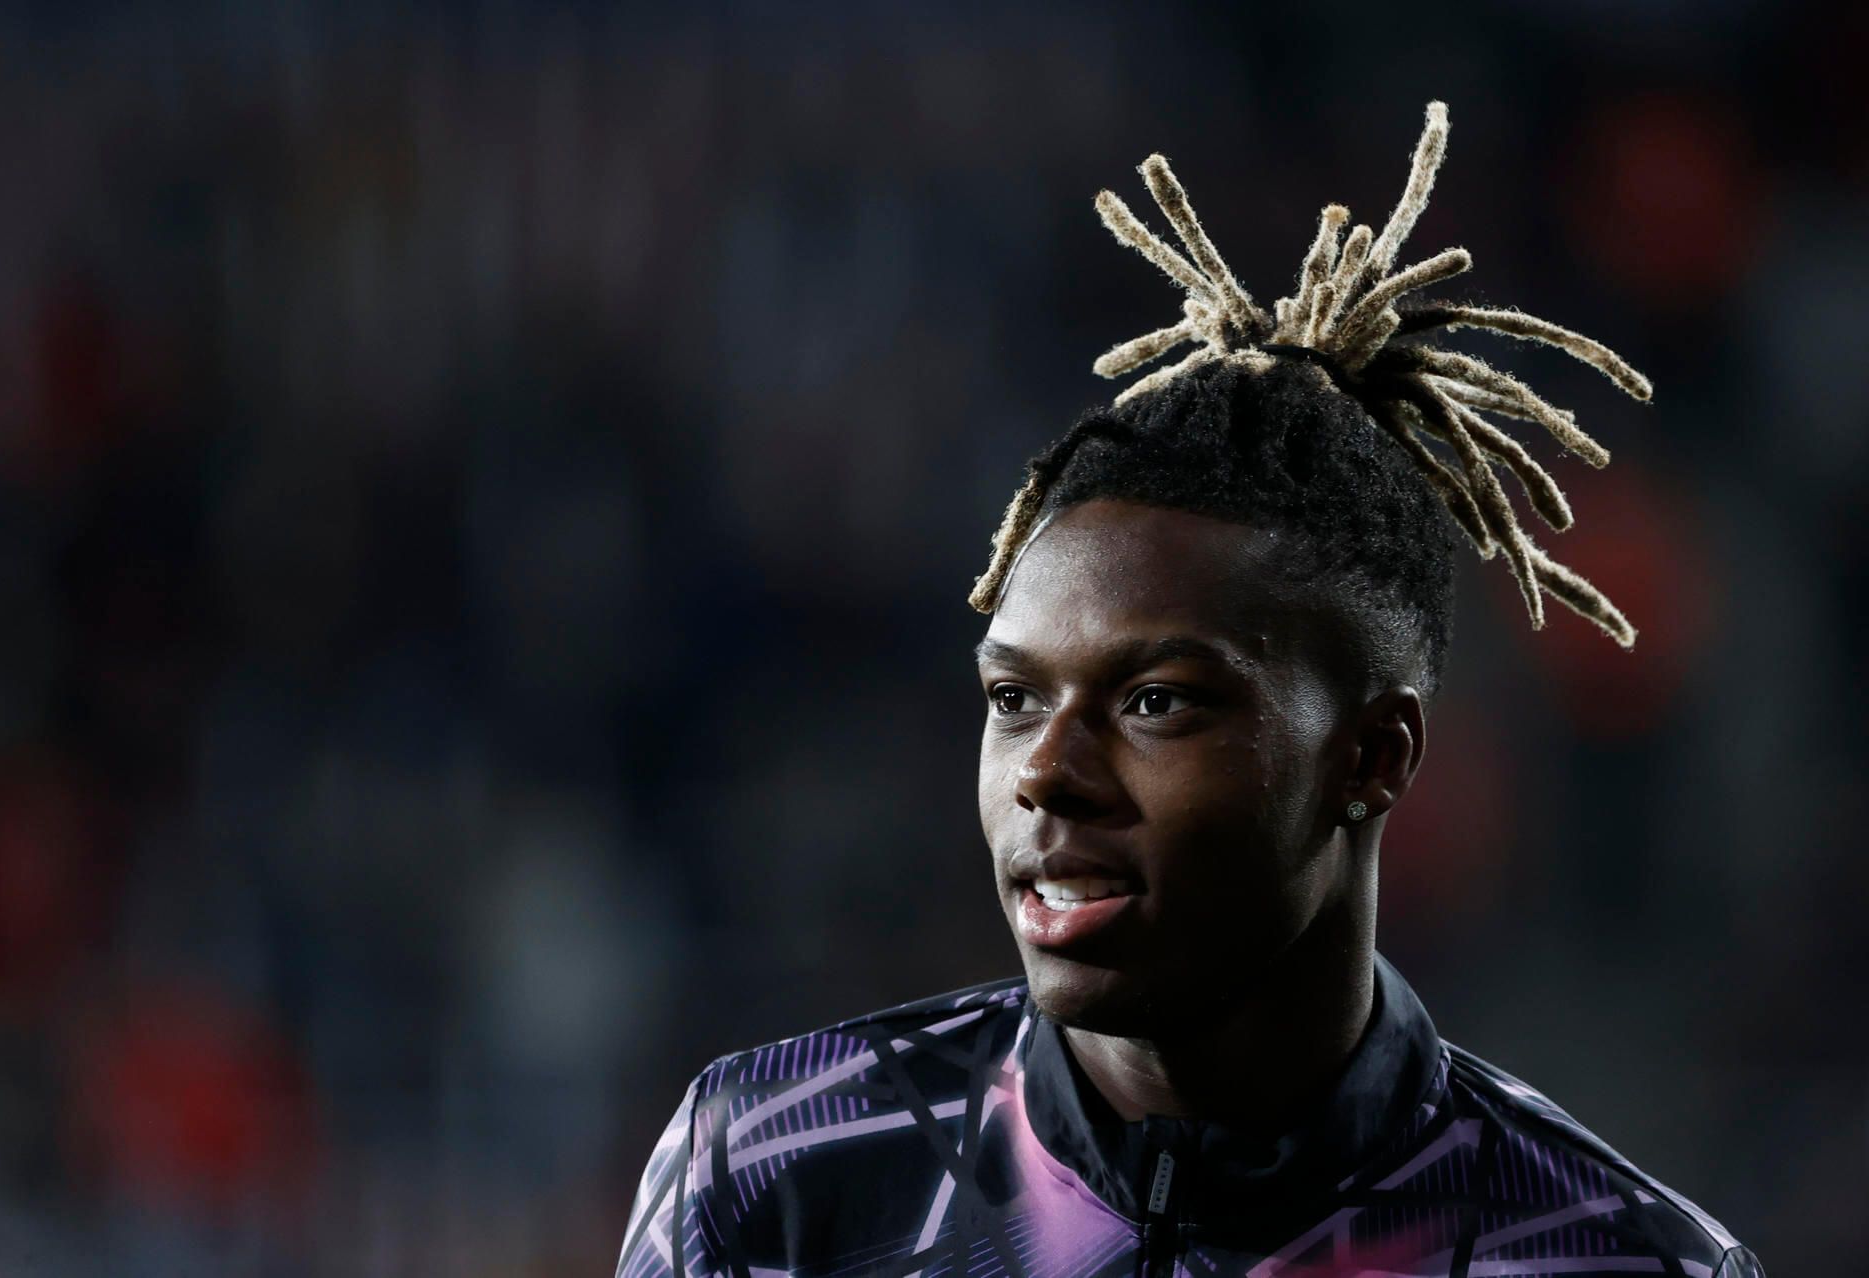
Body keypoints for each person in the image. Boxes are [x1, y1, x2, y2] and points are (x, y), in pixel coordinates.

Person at [614, 102, 1764, 1278]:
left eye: (1156, 701)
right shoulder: (771, 1175)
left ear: (1373, 757)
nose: (1048, 773)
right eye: (1014, 700)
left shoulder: (1613, 1264)